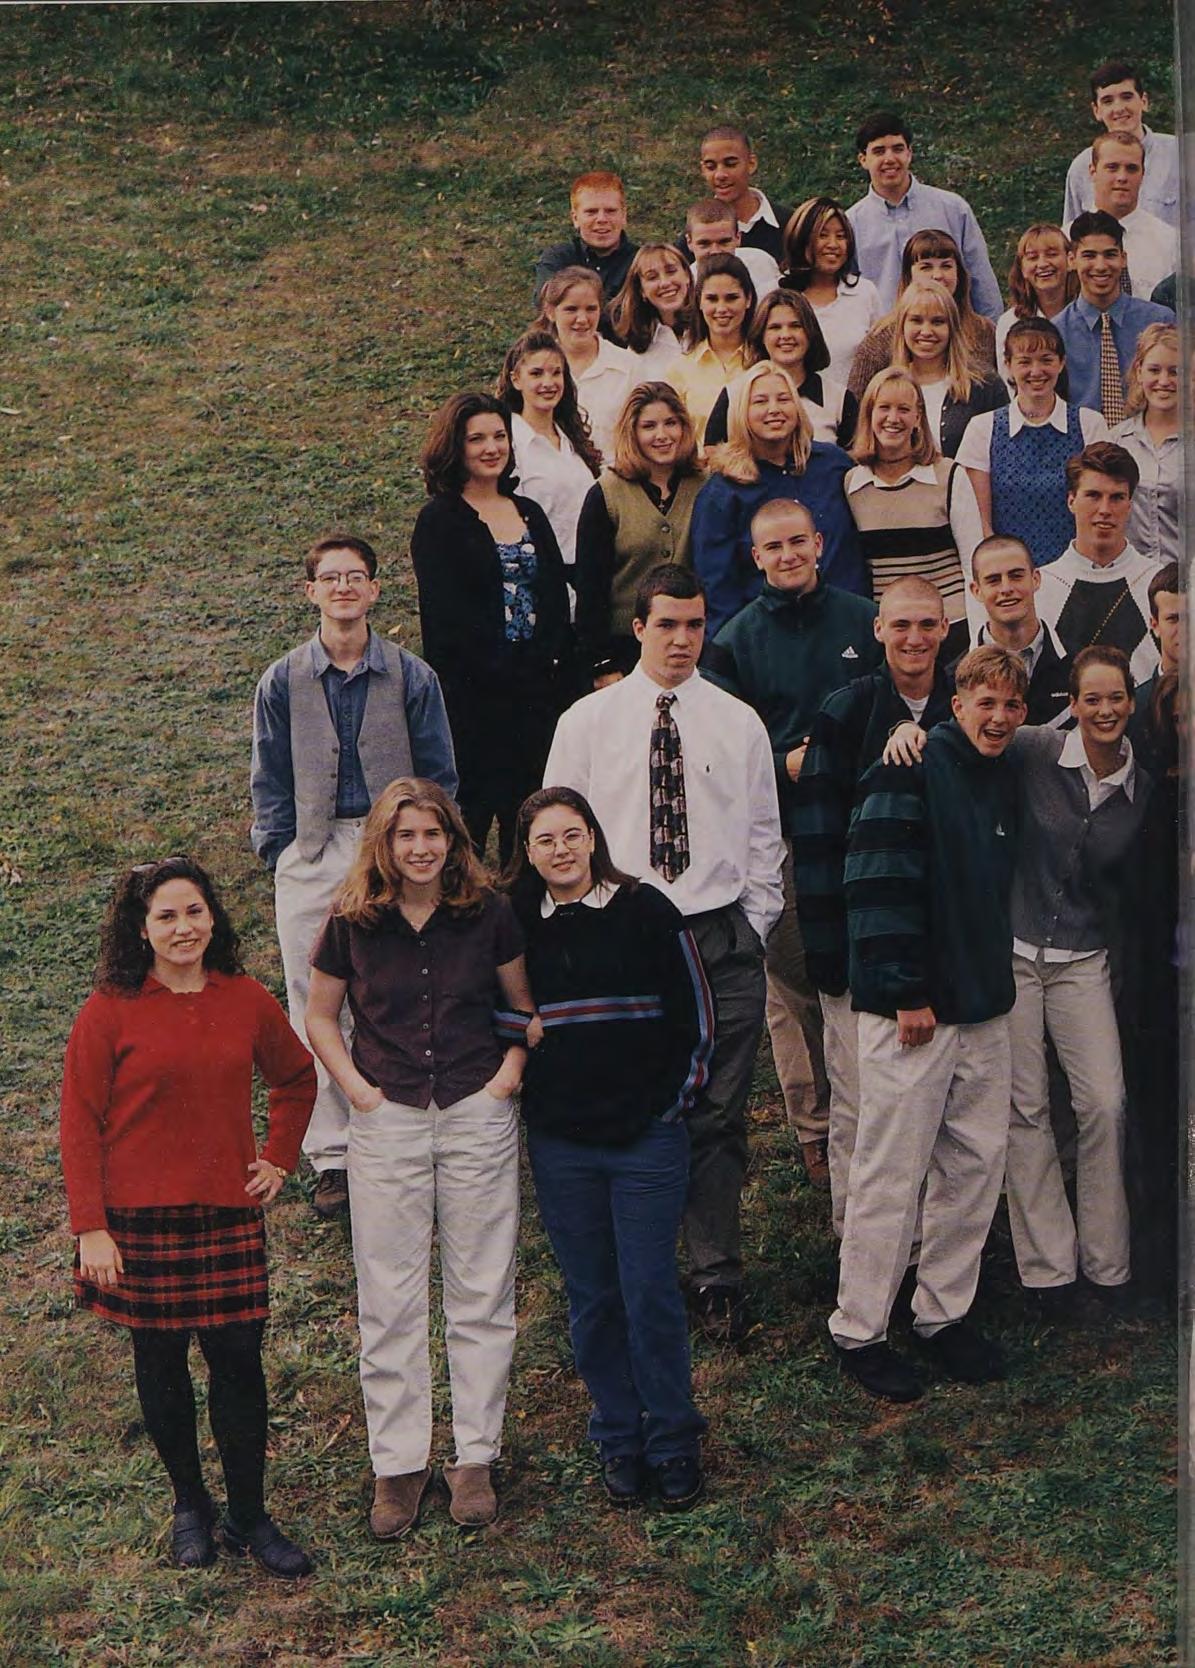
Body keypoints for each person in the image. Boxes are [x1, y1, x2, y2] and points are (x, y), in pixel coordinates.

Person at [543, 565, 784, 1346]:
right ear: (639, 627)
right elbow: (557, 835)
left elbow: (762, 834)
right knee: (632, 1105)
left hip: (716, 935)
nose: (682, 640)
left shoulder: (737, 722)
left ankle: (714, 1273)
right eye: (667, 625)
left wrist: (751, 922)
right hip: (625, 937)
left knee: (716, 1111)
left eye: (694, 625)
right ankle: (629, 1271)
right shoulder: (588, 722)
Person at [60, 858, 317, 1577]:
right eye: (166, 916)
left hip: (226, 1215)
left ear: (213, 918)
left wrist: (279, 1157)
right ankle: (189, 1506)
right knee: (160, 1364)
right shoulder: (109, 1010)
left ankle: (249, 1515)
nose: (183, 928)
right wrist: (90, 1227)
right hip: (137, 1222)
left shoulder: (244, 998)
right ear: (140, 929)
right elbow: (79, 1121)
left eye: (194, 912)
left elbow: (297, 1077)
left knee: (239, 1364)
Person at [305, 779, 534, 1538]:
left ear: (452, 839)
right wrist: (358, 1093)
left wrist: (506, 1078)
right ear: (384, 843)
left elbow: (521, 1008)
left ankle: (475, 1456)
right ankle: (399, 1464)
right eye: (405, 835)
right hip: (389, 1117)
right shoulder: (352, 921)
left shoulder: (487, 912)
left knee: (481, 1286)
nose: (420, 847)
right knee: (390, 1294)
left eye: (432, 832)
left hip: (476, 1110)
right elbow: (320, 1016)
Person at [505, 787, 714, 1508]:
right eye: (544, 840)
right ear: (527, 852)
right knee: (592, 1295)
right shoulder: (515, 924)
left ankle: (673, 1437)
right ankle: (618, 1434)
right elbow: (486, 1007)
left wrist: (670, 1105)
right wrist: (519, 1029)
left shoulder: (646, 909)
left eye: (572, 834)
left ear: (593, 837)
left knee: (649, 1290)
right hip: (563, 1143)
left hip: (645, 1139)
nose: (560, 850)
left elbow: (696, 1016)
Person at [830, 646, 1028, 1402]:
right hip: (913, 1012)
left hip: (981, 1006)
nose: (999, 718)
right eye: (986, 702)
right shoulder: (907, 765)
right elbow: (874, 881)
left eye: (1012, 705)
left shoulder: (1001, 774)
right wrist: (904, 990)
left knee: (974, 1166)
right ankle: (859, 1329)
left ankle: (942, 1314)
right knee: (890, 1171)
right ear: (957, 703)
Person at [250, 535, 457, 1222]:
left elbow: (438, 773)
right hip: (312, 847)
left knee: (398, 986)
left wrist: (423, 845)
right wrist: (282, 850)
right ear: (310, 591)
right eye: (330, 577)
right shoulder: (282, 680)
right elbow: (269, 774)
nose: (343, 587)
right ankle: (332, 1155)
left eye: (356, 576)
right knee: (313, 996)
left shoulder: (411, 676)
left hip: (390, 846)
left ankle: (401, 1131)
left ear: (374, 590)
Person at [703, 498, 881, 1186]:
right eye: (773, 547)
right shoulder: (735, 639)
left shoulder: (862, 620)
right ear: (756, 558)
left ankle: (873, 1109)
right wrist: (784, 764)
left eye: (797, 542)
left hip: (862, 818)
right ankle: (815, 1125)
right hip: (780, 827)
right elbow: (721, 747)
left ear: (819, 543)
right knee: (792, 977)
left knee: (862, 964)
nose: (787, 556)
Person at [791, 577, 954, 1231]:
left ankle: (923, 1240)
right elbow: (817, 840)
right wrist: (830, 957)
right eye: (901, 625)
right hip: (856, 945)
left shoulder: (961, 706)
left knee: (932, 1106)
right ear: (878, 629)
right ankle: (854, 1238)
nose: (914, 638)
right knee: (860, 1101)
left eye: (927, 625)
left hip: (941, 944)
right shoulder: (847, 709)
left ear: (945, 629)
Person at [1003, 646, 1149, 1317]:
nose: (1104, 710)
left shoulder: (1140, 788)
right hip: (1014, 950)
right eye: (1092, 699)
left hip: (1084, 958)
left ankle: (1107, 1266)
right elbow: (973, 734)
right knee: (1025, 1108)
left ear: (1130, 701)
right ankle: (1047, 1271)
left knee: (1103, 1104)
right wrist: (902, 730)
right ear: (1073, 702)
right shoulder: (1036, 749)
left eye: (1115, 697)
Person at [410, 392, 572, 865]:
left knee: (530, 825)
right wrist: (495, 676)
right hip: (475, 706)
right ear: (454, 446)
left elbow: (553, 598)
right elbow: (444, 623)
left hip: (536, 699)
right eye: (476, 438)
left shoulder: (529, 511)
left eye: (499, 436)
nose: (491, 447)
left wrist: (549, 670)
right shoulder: (439, 521)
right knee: (470, 830)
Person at [692, 360, 867, 636]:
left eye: (783, 399)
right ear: (741, 412)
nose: (774, 409)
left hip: (845, 627)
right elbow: (717, 587)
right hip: (768, 635)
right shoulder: (723, 491)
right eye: (760, 401)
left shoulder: (834, 465)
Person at [845, 367, 985, 656]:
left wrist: (977, 638)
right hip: (892, 635)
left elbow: (974, 564)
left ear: (918, 417)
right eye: (884, 408)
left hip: (950, 629)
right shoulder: (853, 484)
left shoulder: (948, 475)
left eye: (904, 409)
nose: (893, 418)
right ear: (869, 414)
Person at [574, 381, 705, 684]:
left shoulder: (705, 486)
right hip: (624, 650)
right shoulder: (606, 494)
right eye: (649, 426)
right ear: (632, 432)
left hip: (690, 644)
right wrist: (602, 664)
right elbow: (591, 589)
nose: (662, 435)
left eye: (670, 423)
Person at [955, 317, 1109, 566]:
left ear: (1061, 363)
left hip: (1078, 567)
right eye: (1025, 361)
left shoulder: (1090, 424)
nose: (1036, 371)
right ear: (1008, 365)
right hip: (1009, 572)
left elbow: (1100, 507)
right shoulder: (982, 429)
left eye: (1046, 360)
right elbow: (979, 522)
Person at [845, 111, 1003, 318]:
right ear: (863, 159)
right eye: (879, 151)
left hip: (950, 330)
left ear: (909, 153)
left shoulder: (953, 209)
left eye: (898, 149)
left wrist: (992, 331)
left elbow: (981, 281)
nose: (889, 159)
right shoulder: (851, 224)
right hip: (883, 334)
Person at [1036, 442, 1161, 686]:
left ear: (1130, 505)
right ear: (1071, 500)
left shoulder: (1157, 584)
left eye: (1117, 498)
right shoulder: (1040, 587)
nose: (1105, 509)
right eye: (1093, 495)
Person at [496, 329, 602, 586]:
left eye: (556, 373)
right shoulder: (509, 444)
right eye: (536, 373)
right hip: (542, 577)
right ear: (516, 379)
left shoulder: (572, 437)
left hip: (588, 572)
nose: (548, 382)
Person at [1052, 212, 1174, 422]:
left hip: (1150, 436)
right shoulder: (1056, 332)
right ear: (1071, 260)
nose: (1100, 266)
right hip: (1083, 440)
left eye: (1110, 255)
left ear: (1123, 259)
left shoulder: (1159, 321)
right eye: (1089, 256)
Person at [848, 227, 999, 398]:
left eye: (946, 266)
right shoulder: (881, 337)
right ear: (909, 275)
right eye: (926, 267)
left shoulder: (984, 331)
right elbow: (856, 403)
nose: (937, 275)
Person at [704, 289, 859, 449]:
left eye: (796, 326)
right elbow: (712, 452)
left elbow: (854, 457)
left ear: (810, 332)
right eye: (775, 327)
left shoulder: (839, 399)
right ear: (761, 335)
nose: (785, 335)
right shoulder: (734, 394)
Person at [886, 281, 1008, 458]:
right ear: (902, 326)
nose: (926, 331)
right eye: (916, 320)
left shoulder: (985, 385)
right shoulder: (885, 387)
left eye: (937, 322)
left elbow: (1005, 452)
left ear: (952, 327)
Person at [963, 536, 1073, 727]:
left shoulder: (1078, 665)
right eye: (993, 580)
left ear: (1036, 579)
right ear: (976, 590)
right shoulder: (956, 676)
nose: (1006, 588)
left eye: (1016, 576)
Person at [778, 194, 882, 386]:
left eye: (841, 236)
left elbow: (881, 359)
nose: (833, 245)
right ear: (801, 238)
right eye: (822, 235)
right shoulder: (775, 294)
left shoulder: (865, 292)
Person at [1062, 60, 1179, 230]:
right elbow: (1072, 236)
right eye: (1108, 101)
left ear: (1144, 101)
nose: (1119, 108)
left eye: (1127, 97)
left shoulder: (1181, 155)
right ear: (1096, 110)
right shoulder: (1081, 168)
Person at [536, 267, 634, 461]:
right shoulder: (534, 370)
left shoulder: (628, 366)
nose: (582, 319)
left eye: (591, 309)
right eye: (571, 309)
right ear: (550, 312)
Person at [668, 253, 757, 444]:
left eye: (731, 298)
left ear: (748, 299)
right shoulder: (680, 370)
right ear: (699, 301)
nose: (721, 308)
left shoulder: (764, 361)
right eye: (712, 299)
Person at [1111, 323, 1179, 564]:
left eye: (1175, 372)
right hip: (1133, 576)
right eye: (1154, 370)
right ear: (1139, 372)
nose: (1164, 380)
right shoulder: (1117, 441)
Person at [684, 123, 792, 264]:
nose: (720, 175)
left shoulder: (791, 226)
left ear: (751, 164)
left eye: (730, 164)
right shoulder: (695, 238)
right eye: (711, 167)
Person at [1087, 132, 1176, 301]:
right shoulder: (1067, 240)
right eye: (1112, 167)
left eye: (1131, 169)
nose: (1122, 177)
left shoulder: (1169, 242)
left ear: (1143, 174)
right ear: (1093, 172)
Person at [533, 170, 638, 305]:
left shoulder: (641, 262)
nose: (601, 219)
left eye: (610, 211)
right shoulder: (557, 259)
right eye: (591, 212)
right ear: (575, 218)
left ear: (623, 216)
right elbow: (547, 306)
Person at [994, 223, 1078, 371]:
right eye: (1033, 257)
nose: (1042, 264)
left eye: (1052, 254)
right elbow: (1008, 379)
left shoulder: (1088, 316)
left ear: (1070, 260)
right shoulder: (1010, 322)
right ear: (1022, 268)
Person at [607, 243, 693, 380]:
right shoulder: (637, 353)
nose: (664, 283)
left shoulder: (711, 331)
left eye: (671, 271)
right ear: (641, 290)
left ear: (687, 275)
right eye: (652, 277)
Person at [684, 198, 781, 299]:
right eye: (704, 244)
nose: (715, 251)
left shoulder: (762, 264)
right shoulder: (685, 288)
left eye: (724, 242)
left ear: (738, 237)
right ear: (689, 242)